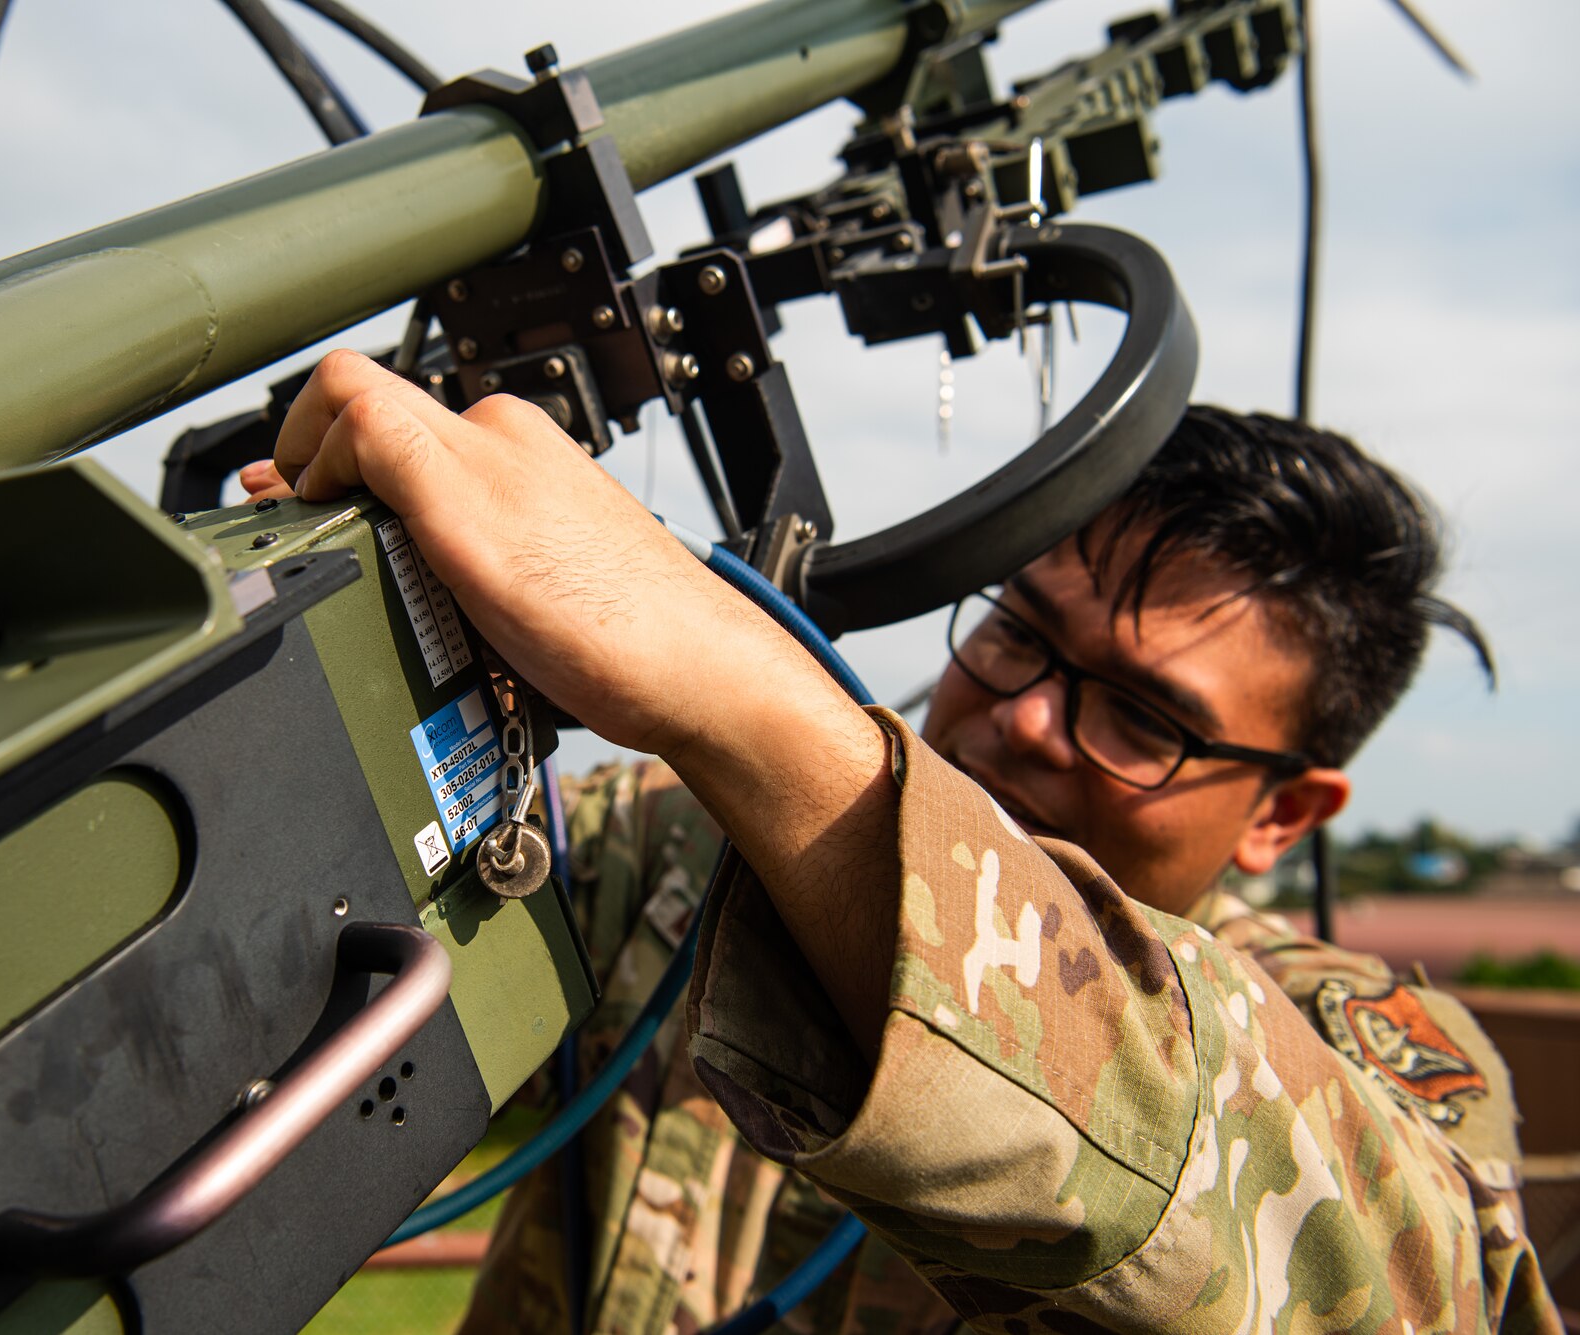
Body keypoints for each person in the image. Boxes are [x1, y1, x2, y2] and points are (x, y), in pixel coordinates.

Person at [241, 352, 1561, 1332]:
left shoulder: (1359, 1038)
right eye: (1017, 635)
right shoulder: (681, 867)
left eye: (1144, 716)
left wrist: (736, 692)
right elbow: (336, 968)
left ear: (1284, 812)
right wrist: (362, 669)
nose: (1030, 716)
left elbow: (1413, 1288)